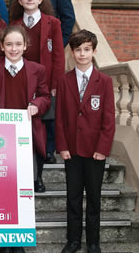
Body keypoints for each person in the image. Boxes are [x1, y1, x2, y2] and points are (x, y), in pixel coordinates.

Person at [0, 25, 50, 253]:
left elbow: (44, 96)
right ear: (2, 46)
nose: (14, 49)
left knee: (23, 190)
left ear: (26, 46)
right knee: (1, 188)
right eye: (9, 44)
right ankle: (3, 238)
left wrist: (36, 106)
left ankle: (19, 238)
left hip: (25, 137)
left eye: (18, 44)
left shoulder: (37, 69)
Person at [55, 30, 115, 253]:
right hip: (72, 150)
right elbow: (60, 116)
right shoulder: (64, 80)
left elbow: (108, 119)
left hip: (94, 152)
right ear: (72, 52)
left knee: (94, 199)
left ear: (94, 51)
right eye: (78, 50)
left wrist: (102, 148)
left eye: (87, 50)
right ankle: (73, 241)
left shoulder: (105, 82)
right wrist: (62, 146)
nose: (82, 54)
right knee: (72, 197)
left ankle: (93, 242)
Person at [10, 0, 65, 181]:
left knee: (44, 123)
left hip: (46, 81)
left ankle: (46, 155)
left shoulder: (53, 23)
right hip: (21, 82)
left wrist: (55, 84)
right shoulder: (15, 25)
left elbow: (58, 55)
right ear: (20, 1)